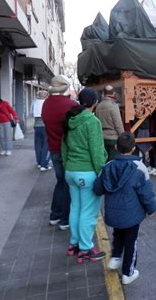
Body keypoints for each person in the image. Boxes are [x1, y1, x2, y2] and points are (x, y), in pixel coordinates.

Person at [94, 132, 156, 285]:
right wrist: (151, 209)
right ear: (134, 148)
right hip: (132, 214)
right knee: (131, 241)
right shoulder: (140, 168)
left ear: (116, 147)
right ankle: (128, 272)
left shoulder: (108, 166)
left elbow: (97, 188)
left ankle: (115, 257)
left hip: (113, 213)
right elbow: (146, 193)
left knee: (118, 234)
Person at [62, 88, 107, 263]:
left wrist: (67, 166)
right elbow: (96, 151)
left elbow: (63, 147)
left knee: (76, 208)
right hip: (87, 172)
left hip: (71, 171)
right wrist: (101, 171)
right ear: (95, 102)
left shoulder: (70, 119)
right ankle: (86, 248)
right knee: (88, 212)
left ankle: (74, 243)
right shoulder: (92, 121)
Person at [42, 75, 78, 230]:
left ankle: (55, 215)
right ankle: (65, 219)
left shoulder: (46, 104)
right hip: (67, 150)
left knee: (60, 181)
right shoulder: (70, 105)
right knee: (67, 184)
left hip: (53, 147)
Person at [95, 85, 124, 161]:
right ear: (113, 93)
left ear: (103, 93)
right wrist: (123, 136)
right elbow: (118, 124)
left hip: (102, 138)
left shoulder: (98, 106)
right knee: (113, 162)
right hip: (113, 139)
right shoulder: (113, 106)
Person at [32, 90, 51, 171]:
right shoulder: (47, 103)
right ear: (45, 96)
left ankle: (39, 163)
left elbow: (31, 113)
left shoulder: (34, 102)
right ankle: (44, 164)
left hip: (36, 126)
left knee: (38, 145)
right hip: (45, 126)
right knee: (46, 145)